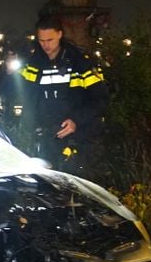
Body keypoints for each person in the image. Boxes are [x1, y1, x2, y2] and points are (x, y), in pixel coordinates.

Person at [18, 13, 108, 173]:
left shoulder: (80, 63)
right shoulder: (33, 64)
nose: (45, 45)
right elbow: (22, 96)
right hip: (45, 140)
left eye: (50, 40)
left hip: (78, 140)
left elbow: (100, 100)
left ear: (60, 34)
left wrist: (76, 121)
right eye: (41, 40)